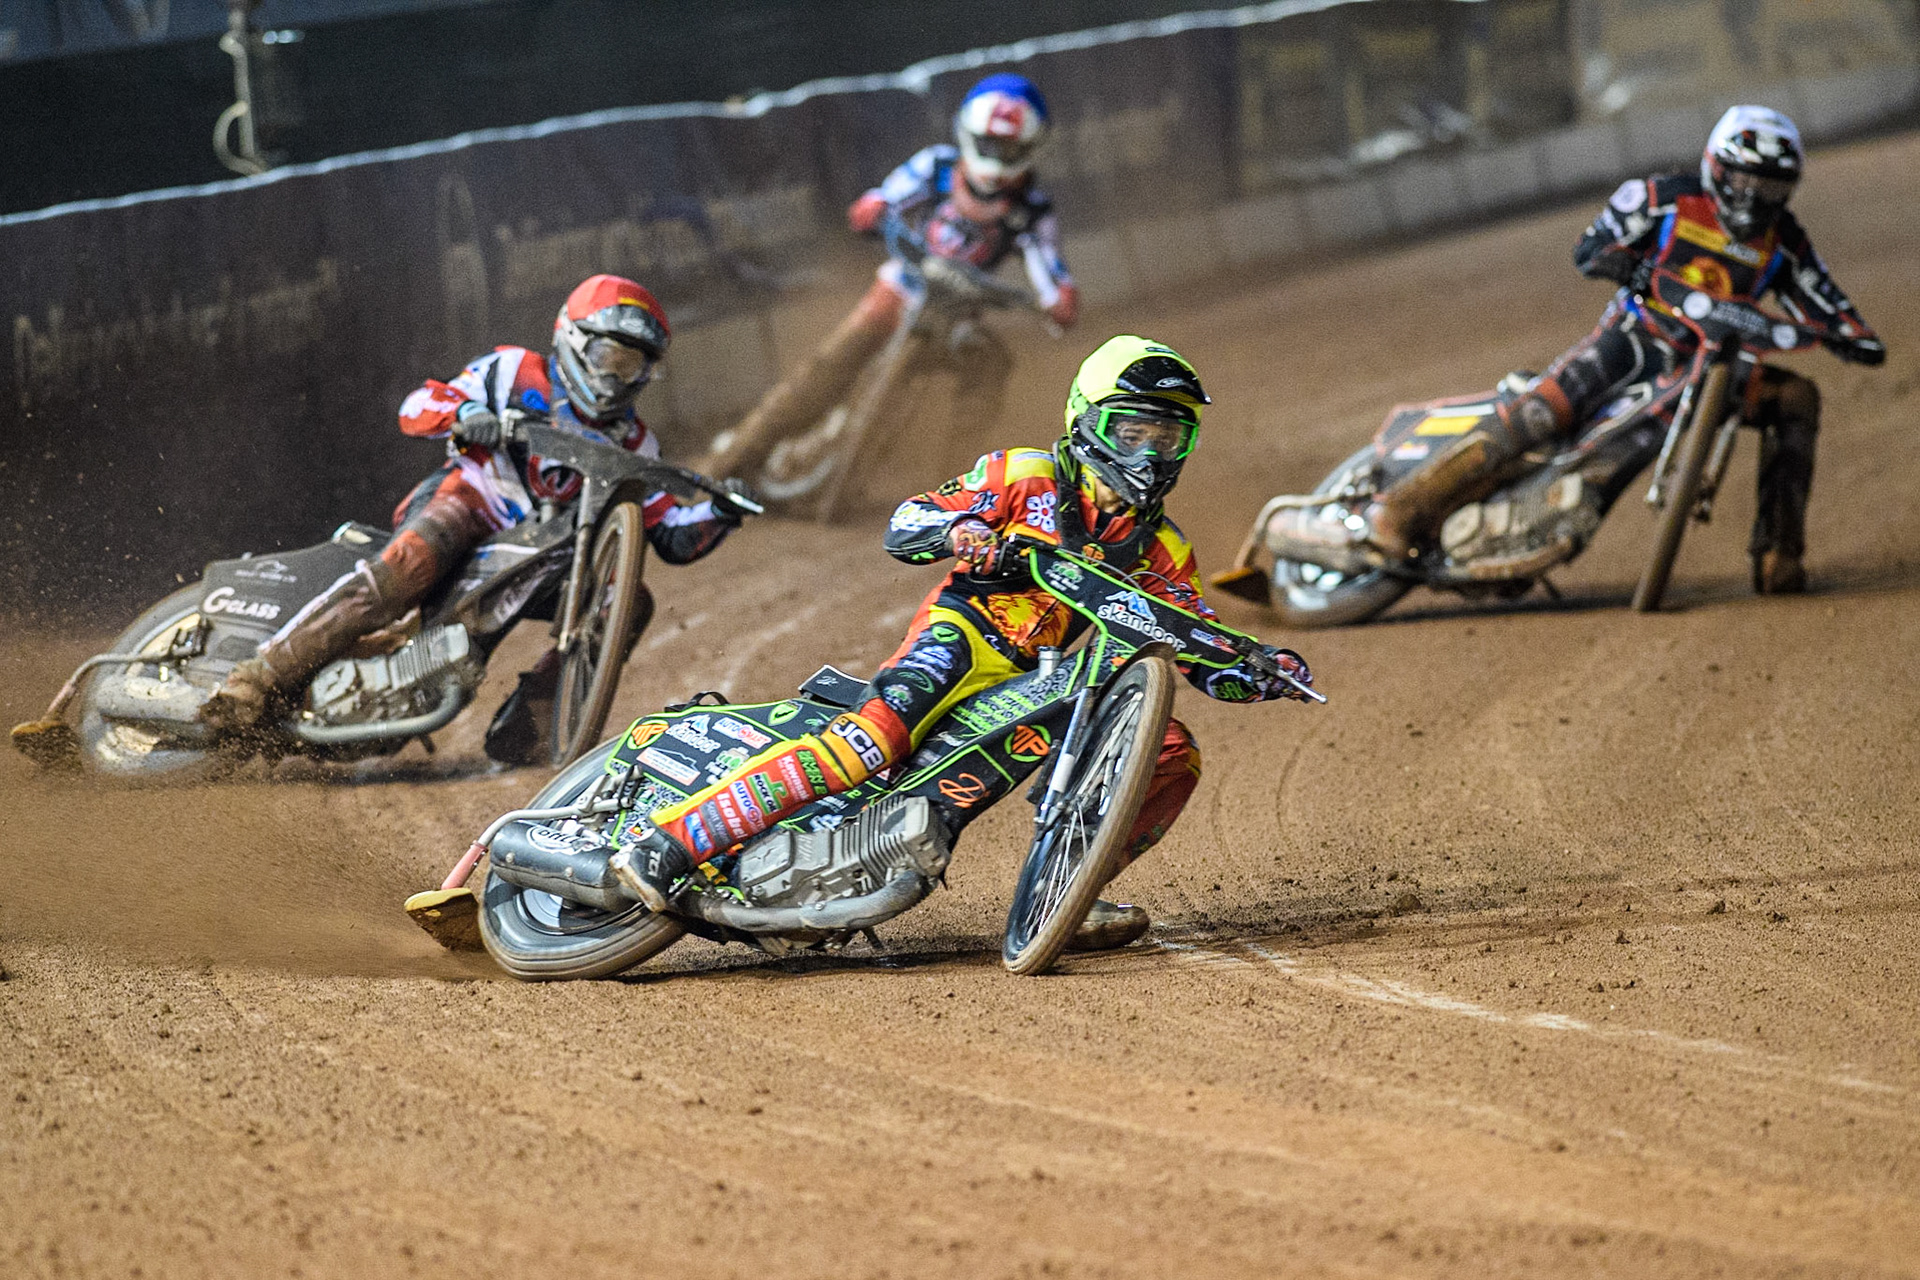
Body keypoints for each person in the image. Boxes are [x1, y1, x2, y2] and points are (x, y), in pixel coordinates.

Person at [623, 336, 1315, 951]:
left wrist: (1261, 667)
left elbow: (1196, 643)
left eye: (1169, 438)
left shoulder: (1164, 550)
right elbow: (909, 519)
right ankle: (675, 841)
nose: (1150, 453)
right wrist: (958, 535)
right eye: (1131, 430)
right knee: (875, 742)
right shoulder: (1023, 475)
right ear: (1085, 421)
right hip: (963, 637)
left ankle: (1074, 888)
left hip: (1052, 680)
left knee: (1172, 755)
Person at [199, 274, 753, 762]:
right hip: (470, 504)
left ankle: (530, 727)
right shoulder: (515, 370)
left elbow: (671, 536)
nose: (617, 376)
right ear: (575, 340)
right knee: (415, 559)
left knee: (632, 599)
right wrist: (466, 414)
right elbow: (416, 406)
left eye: (633, 365)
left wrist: (721, 512)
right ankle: (258, 676)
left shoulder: (636, 443)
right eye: (611, 356)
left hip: (546, 554)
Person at [1362, 105, 1885, 592]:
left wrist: (1854, 337)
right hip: (1633, 339)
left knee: (1796, 398)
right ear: (1716, 167)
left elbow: (1827, 304)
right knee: (1543, 412)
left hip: (1716, 364)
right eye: (1744, 180)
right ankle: (1402, 510)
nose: (1754, 198)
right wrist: (1628, 266)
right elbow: (1591, 247)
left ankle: (1780, 554)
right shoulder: (1665, 198)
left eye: (1770, 187)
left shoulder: (1786, 241)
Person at [702, 72, 1079, 480]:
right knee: (825, 369)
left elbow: (1048, 265)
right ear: (967, 133)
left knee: (990, 366)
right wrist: (873, 207)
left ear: (1030, 147)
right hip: (901, 288)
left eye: (1009, 148)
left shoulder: (1031, 209)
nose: (997, 157)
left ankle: (962, 482)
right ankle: (728, 466)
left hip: (960, 316)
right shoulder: (937, 166)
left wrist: (1059, 296)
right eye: (990, 144)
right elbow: (889, 195)